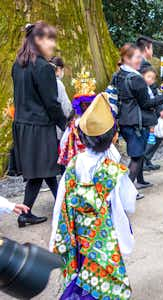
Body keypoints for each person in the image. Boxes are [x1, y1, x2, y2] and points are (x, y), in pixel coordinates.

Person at [49, 94, 137, 299]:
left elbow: (61, 200)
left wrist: (56, 233)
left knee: (81, 267)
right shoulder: (113, 169)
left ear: (80, 137)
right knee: (105, 269)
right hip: (103, 233)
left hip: (79, 232)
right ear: (112, 138)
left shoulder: (73, 163)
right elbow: (128, 203)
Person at [12, 21, 66, 227]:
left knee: (45, 169)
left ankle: (58, 206)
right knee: (45, 168)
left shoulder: (18, 63)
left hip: (23, 125)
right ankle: (62, 206)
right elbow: (52, 103)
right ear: (38, 41)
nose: (52, 45)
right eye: (50, 40)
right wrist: (66, 125)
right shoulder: (43, 67)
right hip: (40, 127)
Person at [112, 43, 163, 197]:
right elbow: (145, 103)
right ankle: (126, 192)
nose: (140, 60)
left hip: (124, 120)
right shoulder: (136, 78)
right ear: (126, 58)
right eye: (137, 57)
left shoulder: (118, 74)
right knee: (137, 157)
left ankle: (128, 189)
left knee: (136, 156)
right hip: (136, 123)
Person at [141, 66, 163, 171]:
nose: (151, 80)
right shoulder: (142, 87)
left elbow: (155, 98)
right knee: (150, 139)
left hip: (153, 116)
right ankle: (144, 161)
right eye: (149, 77)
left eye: (153, 78)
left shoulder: (151, 86)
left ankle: (147, 160)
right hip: (147, 117)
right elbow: (149, 102)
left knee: (155, 138)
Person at [50, 56, 73, 138]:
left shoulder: (45, 81)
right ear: (59, 69)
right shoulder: (58, 83)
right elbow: (66, 106)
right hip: (59, 126)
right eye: (62, 70)